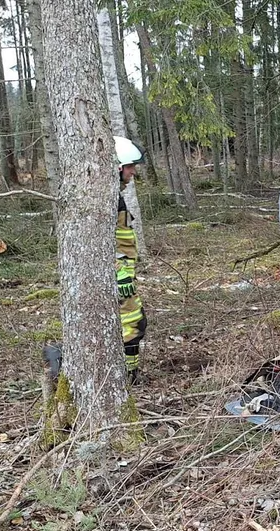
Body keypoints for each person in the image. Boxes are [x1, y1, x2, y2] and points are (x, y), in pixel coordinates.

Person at [114, 136, 147, 384]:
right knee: (133, 324)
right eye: (130, 166)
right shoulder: (108, 201)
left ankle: (129, 375)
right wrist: (121, 272)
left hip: (123, 272)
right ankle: (127, 377)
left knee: (133, 324)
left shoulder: (115, 196)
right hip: (119, 274)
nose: (133, 171)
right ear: (117, 167)